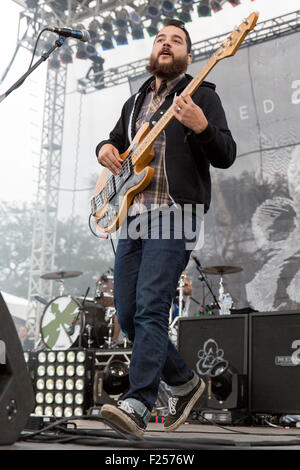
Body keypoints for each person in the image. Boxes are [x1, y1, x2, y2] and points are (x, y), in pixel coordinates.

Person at [96, 19, 236, 436]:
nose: (166, 44)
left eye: (176, 41)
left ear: (189, 57)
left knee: (152, 304)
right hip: (132, 216)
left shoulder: (202, 95)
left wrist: (201, 126)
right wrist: (104, 149)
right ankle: (184, 382)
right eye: (160, 39)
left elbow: (225, 153)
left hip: (176, 213)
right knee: (128, 312)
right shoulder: (135, 101)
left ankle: (139, 401)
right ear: (153, 52)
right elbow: (115, 142)